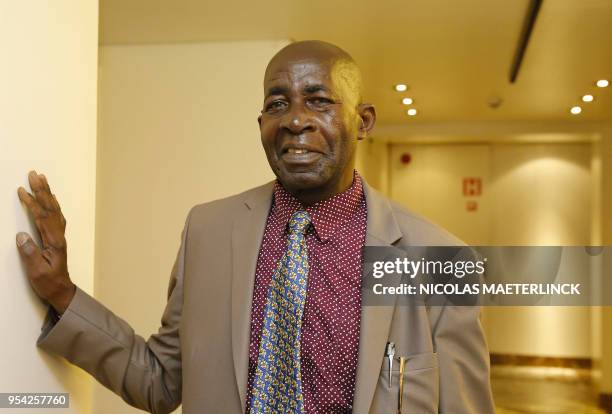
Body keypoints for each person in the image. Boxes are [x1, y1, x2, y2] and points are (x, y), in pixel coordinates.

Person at [16, 40, 495, 413]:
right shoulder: (208, 232)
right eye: (278, 104)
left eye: (320, 100)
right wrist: (63, 294)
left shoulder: (437, 257)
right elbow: (161, 381)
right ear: (262, 121)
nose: (296, 120)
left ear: (362, 121)